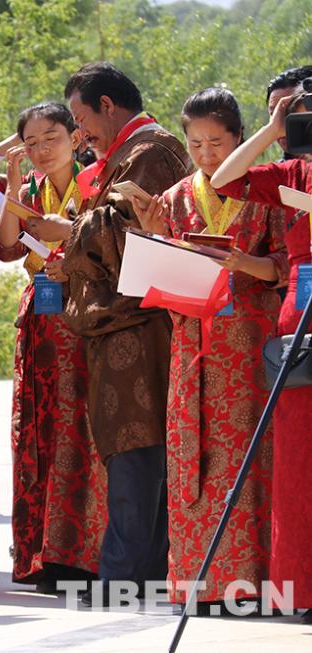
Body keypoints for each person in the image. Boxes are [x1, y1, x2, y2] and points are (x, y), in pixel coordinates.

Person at [25, 62, 193, 606]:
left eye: (80, 119)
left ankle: (121, 576)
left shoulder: (152, 150)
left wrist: (68, 231)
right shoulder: (132, 151)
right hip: (120, 323)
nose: (80, 133)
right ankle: (138, 573)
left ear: (107, 105)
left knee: (135, 451)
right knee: (132, 450)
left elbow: (125, 231)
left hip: (137, 325)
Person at [134, 88, 287, 607]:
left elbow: (284, 266)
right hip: (193, 347)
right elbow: (159, 279)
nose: (206, 154)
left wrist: (243, 263)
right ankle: (198, 584)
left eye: (217, 143)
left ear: (240, 138)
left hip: (250, 349)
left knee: (251, 459)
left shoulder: (266, 193)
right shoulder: (176, 198)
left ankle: (254, 581)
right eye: (196, 144)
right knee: (192, 458)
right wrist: (155, 236)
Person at [0, 103, 107, 593]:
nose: (41, 150)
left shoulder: (96, 185)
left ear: (75, 138)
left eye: (51, 137)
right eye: (31, 142)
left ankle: (83, 554)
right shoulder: (28, 191)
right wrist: (12, 186)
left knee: (83, 434)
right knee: (38, 433)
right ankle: (41, 553)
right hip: (41, 323)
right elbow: (5, 248)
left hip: (84, 322)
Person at [210, 91, 312, 623]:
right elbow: (223, 180)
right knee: (298, 458)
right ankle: (303, 587)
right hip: (301, 313)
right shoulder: (292, 172)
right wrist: (274, 131)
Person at [265, 66, 312, 161]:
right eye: (274, 114)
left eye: (290, 112)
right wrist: (270, 130)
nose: (281, 124)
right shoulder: (280, 170)